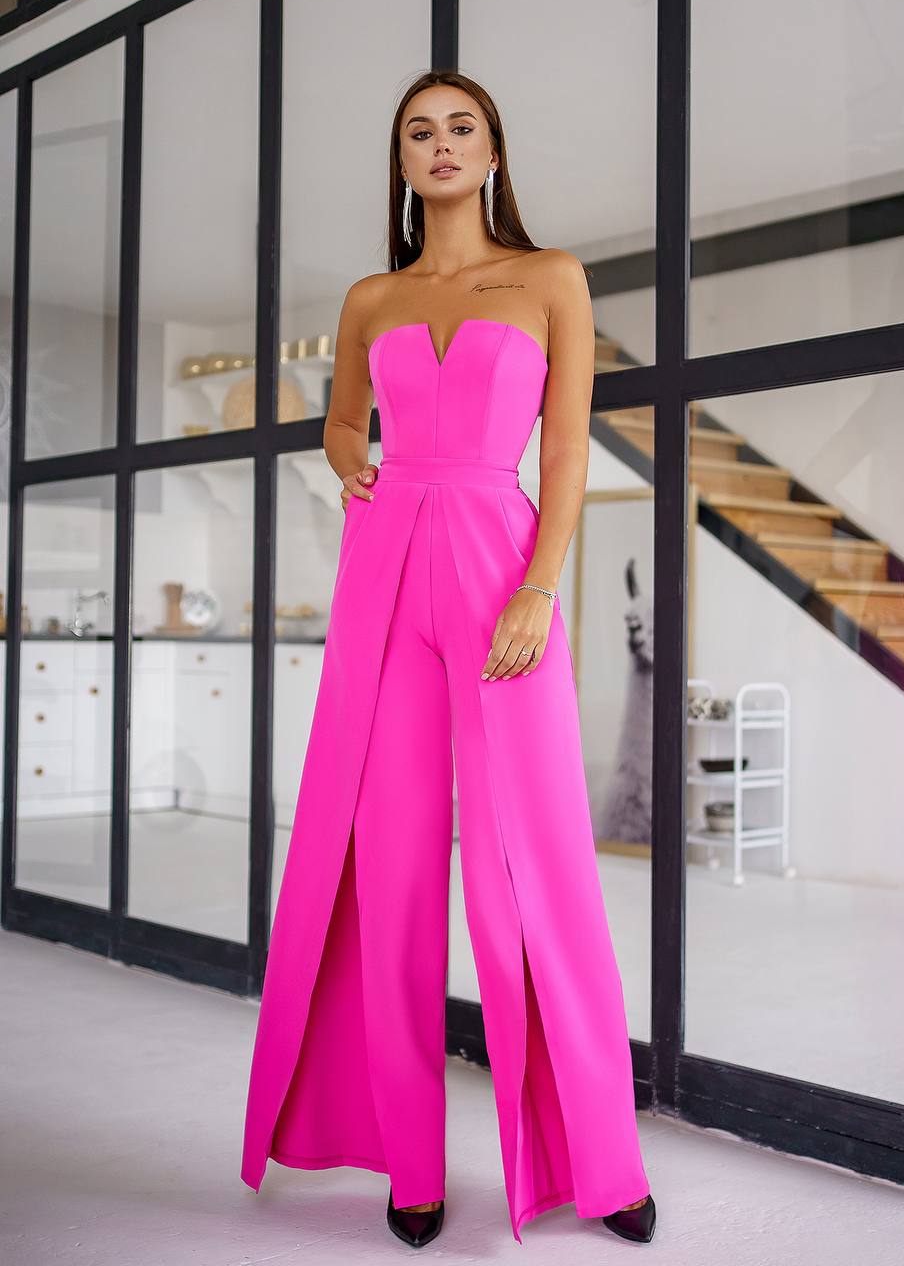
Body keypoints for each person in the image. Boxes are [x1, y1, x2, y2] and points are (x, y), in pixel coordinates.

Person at [239, 69, 656, 1249]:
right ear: (401, 160)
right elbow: (342, 415)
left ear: (492, 150)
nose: (439, 145)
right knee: (391, 870)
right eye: (418, 131)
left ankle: (603, 1164)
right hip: (380, 573)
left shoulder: (551, 278)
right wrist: (338, 441)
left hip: (493, 564)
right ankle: (409, 1162)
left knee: (538, 869)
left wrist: (538, 586)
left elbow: (566, 453)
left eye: (459, 127)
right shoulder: (370, 294)